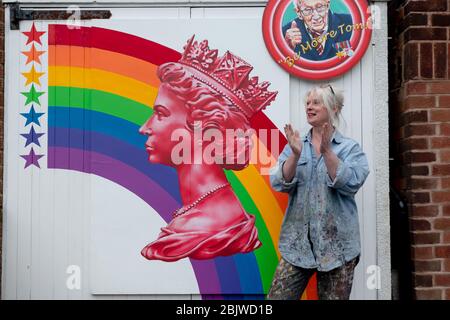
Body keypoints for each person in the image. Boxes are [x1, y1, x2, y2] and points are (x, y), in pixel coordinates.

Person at [139, 36, 278, 262]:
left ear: (204, 127)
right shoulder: (209, 211)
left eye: (161, 114)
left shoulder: (214, 225)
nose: (144, 127)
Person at [268, 84, 369, 300]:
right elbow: (278, 181)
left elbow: (353, 182)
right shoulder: (295, 144)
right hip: (297, 246)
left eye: (316, 102)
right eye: (307, 103)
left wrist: (327, 152)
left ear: (333, 109)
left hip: (338, 248)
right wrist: (295, 155)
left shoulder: (350, 149)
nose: (309, 107)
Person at [283, 0, 353, 60]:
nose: (316, 16)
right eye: (307, 10)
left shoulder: (350, 22)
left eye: (320, 7)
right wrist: (288, 48)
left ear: (327, 5)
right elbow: (284, 61)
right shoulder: (286, 34)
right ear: (298, 13)